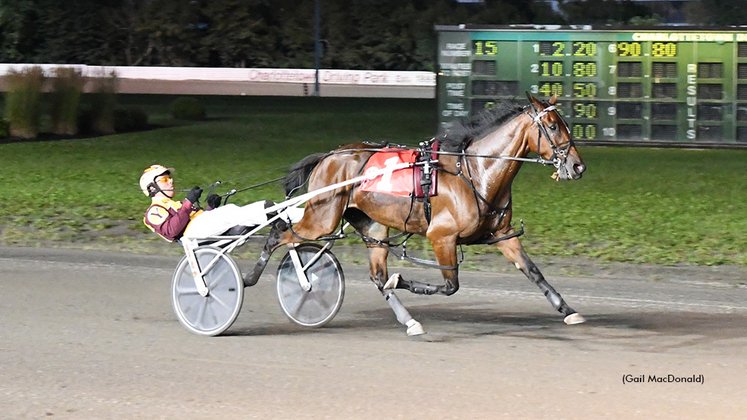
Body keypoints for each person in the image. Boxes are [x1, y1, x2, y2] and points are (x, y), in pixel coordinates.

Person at [140, 164, 221, 242]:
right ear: (152, 188)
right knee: (231, 209)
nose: (171, 181)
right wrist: (188, 202)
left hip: (203, 227)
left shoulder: (173, 204)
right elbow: (171, 231)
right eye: (164, 179)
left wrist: (210, 207)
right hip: (196, 233)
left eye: (170, 178)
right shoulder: (154, 211)